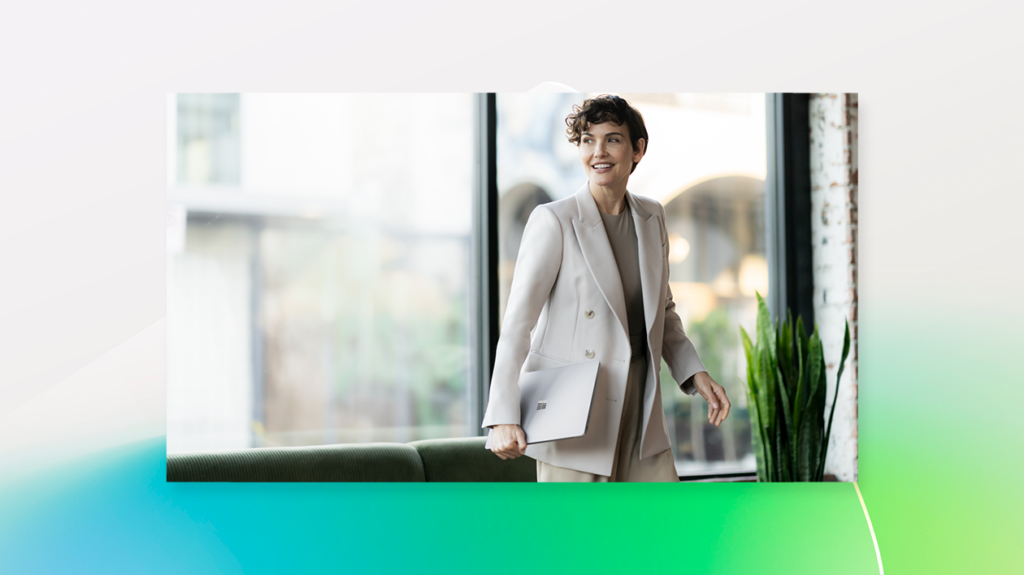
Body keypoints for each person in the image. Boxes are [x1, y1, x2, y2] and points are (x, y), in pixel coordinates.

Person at [481, 95, 731, 482]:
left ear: (637, 150)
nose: (598, 151)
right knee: (580, 540)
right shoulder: (554, 221)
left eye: (612, 139)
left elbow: (662, 311)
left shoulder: (652, 217)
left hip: (641, 408)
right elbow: (517, 325)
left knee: (660, 534)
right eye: (587, 140)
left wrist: (695, 373)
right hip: (575, 412)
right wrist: (502, 416)